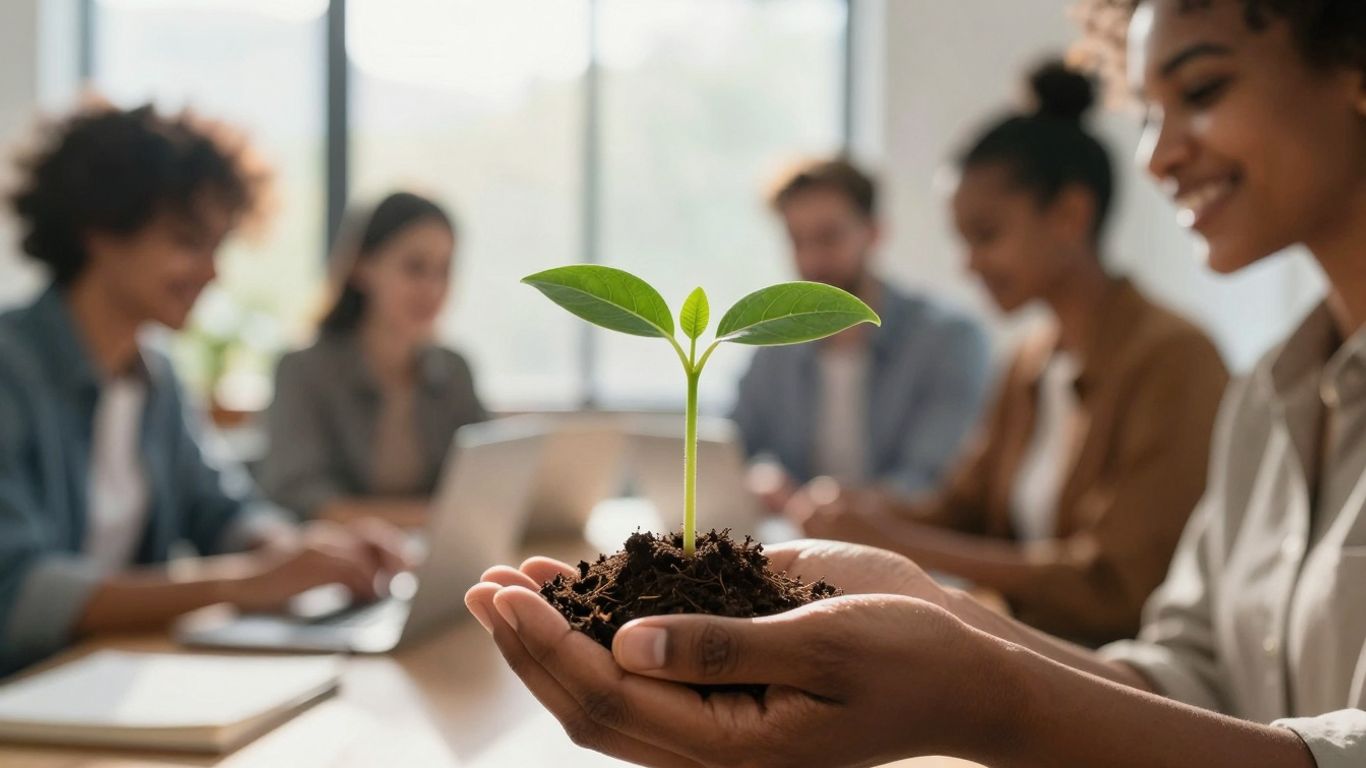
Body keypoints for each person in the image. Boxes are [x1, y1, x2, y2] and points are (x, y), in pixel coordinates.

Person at [466, 0, 1366, 765]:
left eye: (1202, 91)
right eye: (1147, 116)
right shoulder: (1267, 393)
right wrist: (927, 601)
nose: (1157, 158)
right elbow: (1188, 681)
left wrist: (984, 692)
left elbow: (1117, 595)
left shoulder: (1177, 360)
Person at [797, 61, 1229, 646]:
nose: (969, 263)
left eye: (987, 235)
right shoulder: (1030, 360)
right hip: (1024, 650)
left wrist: (897, 542)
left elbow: (1115, 585)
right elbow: (964, 510)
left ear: (1071, 215)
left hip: (1113, 673)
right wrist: (867, 513)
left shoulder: (1175, 359)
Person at [0, 104, 407, 677]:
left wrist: (306, 549)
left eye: (219, 246)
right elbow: (17, 591)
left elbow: (220, 510)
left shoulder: (155, 376)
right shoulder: (12, 369)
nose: (213, 273)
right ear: (99, 230)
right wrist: (245, 583)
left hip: (105, 678)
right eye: (188, 241)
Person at [732, 157, 991, 515]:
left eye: (829, 237)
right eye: (797, 240)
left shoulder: (949, 340)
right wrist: (758, 478)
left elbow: (933, 479)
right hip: (796, 536)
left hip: (900, 538)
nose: (812, 260)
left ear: (874, 233)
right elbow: (735, 444)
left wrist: (847, 511)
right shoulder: (774, 345)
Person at [259, 193, 485, 529]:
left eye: (444, 270)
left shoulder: (454, 371)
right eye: (415, 267)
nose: (432, 289)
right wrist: (437, 516)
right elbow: (302, 496)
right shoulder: (302, 371)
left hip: (439, 550)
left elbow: (486, 478)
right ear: (362, 266)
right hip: (338, 555)